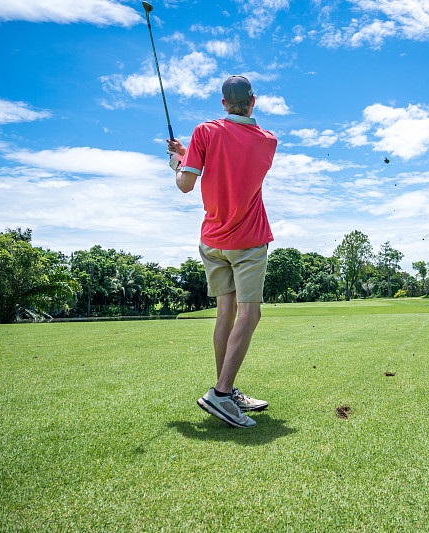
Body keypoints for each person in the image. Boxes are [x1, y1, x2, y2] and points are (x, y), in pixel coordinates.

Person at [167, 75, 277, 428]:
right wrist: (190, 155)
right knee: (250, 313)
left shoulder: (204, 132)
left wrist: (180, 160)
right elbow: (235, 162)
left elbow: (186, 185)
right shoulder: (268, 141)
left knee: (225, 313)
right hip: (247, 238)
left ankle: (224, 393)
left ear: (223, 103)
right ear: (253, 101)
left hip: (213, 240)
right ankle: (222, 392)